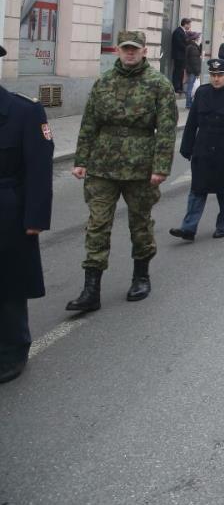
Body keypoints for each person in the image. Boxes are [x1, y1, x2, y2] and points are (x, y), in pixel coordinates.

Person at [67, 30, 177, 311]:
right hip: (102, 166)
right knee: (97, 225)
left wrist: (161, 167)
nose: (130, 53)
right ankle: (91, 289)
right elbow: (89, 123)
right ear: (117, 50)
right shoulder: (103, 82)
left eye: (135, 49)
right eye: (125, 48)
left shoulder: (158, 84)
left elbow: (165, 130)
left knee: (140, 225)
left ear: (144, 51)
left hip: (141, 168)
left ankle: (141, 276)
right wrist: (81, 160)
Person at [0, 43, 53, 383]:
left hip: (7, 212)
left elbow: (38, 169)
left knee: (8, 287)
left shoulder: (23, 111)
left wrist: (35, 218)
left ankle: (13, 350)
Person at [169, 59, 224, 241]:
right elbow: (192, 123)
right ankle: (188, 228)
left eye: (220, 75)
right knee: (197, 190)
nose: (216, 79)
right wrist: (187, 146)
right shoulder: (202, 92)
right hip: (203, 148)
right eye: (213, 75)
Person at [171, 17, 191, 94]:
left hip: (182, 55)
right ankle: (176, 87)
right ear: (185, 24)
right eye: (189, 24)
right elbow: (179, 44)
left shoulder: (183, 32)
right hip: (178, 55)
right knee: (177, 72)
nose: (189, 26)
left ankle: (180, 87)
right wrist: (187, 48)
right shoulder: (178, 31)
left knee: (181, 71)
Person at [183, 30, 202, 108]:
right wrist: (197, 72)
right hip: (192, 70)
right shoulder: (193, 48)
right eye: (198, 37)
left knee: (190, 87)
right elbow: (194, 61)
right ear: (194, 39)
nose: (198, 38)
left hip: (190, 69)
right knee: (190, 87)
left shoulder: (190, 46)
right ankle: (189, 103)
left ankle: (188, 103)